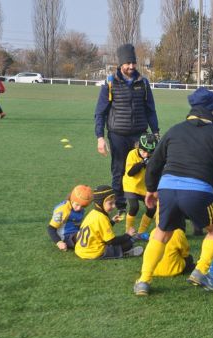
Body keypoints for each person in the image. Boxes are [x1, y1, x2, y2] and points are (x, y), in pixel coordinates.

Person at [133, 87, 213, 296]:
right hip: (197, 191)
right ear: (211, 110)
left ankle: (143, 280)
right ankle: (200, 271)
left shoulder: (174, 130)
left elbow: (154, 163)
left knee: (161, 233)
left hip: (167, 189)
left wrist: (151, 190)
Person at [94, 43, 159, 217]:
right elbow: (100, 112)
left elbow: (150, 110)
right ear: (120, 63)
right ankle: (121, 204)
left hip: (140, 135)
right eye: (127, 63)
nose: (131, 66)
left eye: (133, 63)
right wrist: (100, 137)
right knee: (119, 169)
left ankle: (146, 200)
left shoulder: (143, 83)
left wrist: (156, 132)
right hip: (118, 135)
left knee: (146, 168)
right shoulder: (110, 83)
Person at [75, 185, 144, 260]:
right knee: (128, 244)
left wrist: (112, 221)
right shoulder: (101, 218)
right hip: (92, 252)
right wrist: (128, 235)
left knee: (124, 242)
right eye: (110, 203)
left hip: (80, 250)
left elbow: (100, 229)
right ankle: (125, 252)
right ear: (101, 203)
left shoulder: (93, 213)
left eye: (114, 203)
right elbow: (111, 241)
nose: (114, 206)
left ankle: (124, 249)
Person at [122, 132, 159, 239]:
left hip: (144, 187)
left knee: (152, 208)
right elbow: (130, 173)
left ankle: (141, 232)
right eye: (143, 152)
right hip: (131, 186)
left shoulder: (152, 156)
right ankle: (128, 231)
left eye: (149, 153)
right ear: (139, 147)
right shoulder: (132, 154)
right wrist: (143, 163)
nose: (146, 154)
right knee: (134, 207)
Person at [47, 185, 93, 251]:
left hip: (76, 233)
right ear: (72, 199)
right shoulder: (62, 210)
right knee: (88, 240)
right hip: (66, 237)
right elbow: (51, 228)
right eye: (77, 204)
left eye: (82, 206)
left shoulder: (81, 209)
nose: (79, 208)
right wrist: (59, 242)